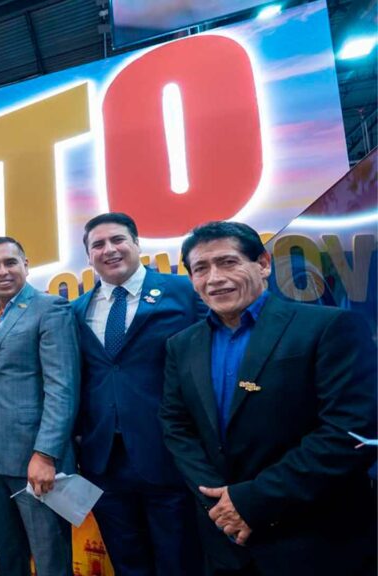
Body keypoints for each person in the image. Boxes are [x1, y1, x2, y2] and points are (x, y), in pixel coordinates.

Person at [160, 221, 378, 576]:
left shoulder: (328, 327)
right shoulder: (181, 345)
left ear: (262, 264)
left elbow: (350, 432)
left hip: (313, 537)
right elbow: (176, 427)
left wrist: (251, 501)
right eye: (201, 268)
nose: (214, 278)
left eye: (228, 262)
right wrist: (219, 502)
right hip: (224, 539)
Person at [73, 213, 204, 575]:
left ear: (136, 244)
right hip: (104, 461)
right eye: (98, 245)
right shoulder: (76, 310)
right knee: (127, 563)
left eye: (118, 240)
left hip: (168, 454)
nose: (109, 249)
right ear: (89, 256)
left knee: (179, 562)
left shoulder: (183, 292)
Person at [0, 237, 79, 576]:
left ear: (26, 265)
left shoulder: (50, 308)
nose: (2, 271)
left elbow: (62, 387)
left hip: (35, 462)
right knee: (8, 557)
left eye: (10, 262)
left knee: (50, 560)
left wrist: (45, 454)